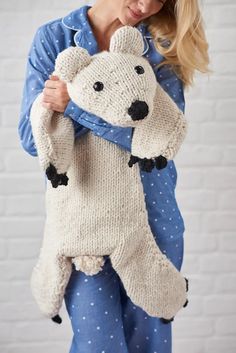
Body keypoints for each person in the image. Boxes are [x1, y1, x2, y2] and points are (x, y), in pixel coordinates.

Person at [18, 1, 210, 352]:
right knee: (97, 345)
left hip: (153, 219)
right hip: (84, 224)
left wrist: (73, 105)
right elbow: (33, 141)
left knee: (149, 345)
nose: (148, 5)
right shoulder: (55, 38)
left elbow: (161, 139)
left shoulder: (159, 45)